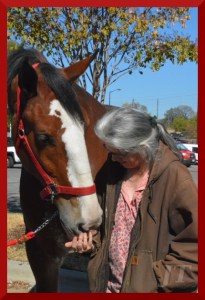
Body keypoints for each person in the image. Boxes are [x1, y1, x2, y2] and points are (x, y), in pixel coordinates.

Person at [65, 108, 198, 293]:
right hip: (106, 287)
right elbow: (101, 223)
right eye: (109, 151)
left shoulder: (175, 177)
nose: (113, 158)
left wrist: (158, 278)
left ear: (143, 147)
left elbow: (195, 244)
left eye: (120, 153)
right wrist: (90, 241)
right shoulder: (111, 171)